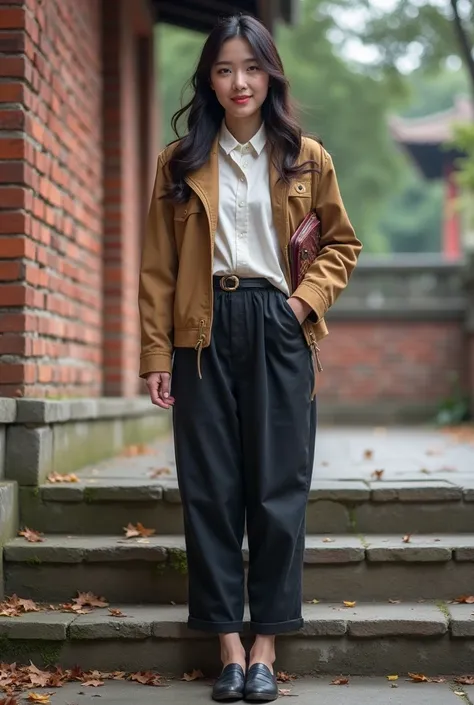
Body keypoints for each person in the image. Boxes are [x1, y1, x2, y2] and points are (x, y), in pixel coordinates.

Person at [138, 13, 361, 702]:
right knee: (210, 490)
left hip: (278, 321)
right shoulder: (178, 162)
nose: (240, 82)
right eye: (226, 68)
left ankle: (266, 642)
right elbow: (157, 268)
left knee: (276, 489)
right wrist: (155, 351)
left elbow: (341, 245)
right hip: (200, 332)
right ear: (209, 78)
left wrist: (299, 308)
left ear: (271, 74)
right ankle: (227, 646)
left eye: (252, 67)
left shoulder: (306, 157)